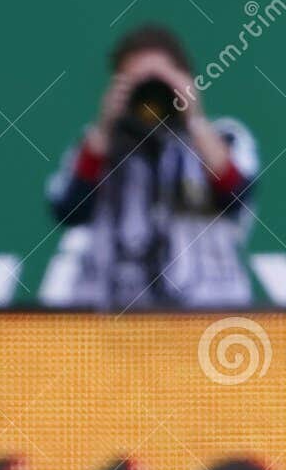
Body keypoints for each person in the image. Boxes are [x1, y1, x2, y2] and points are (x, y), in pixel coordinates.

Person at [46, 23, 256, 309]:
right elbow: (68, 210)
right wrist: (105, 129)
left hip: (207, 315)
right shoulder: (97, 145)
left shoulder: (223, 137)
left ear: (185, 80)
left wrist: (193, 118)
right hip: (118, 322)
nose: (151, 93)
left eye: (160, 81)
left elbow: (236, 197)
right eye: (137, 82)